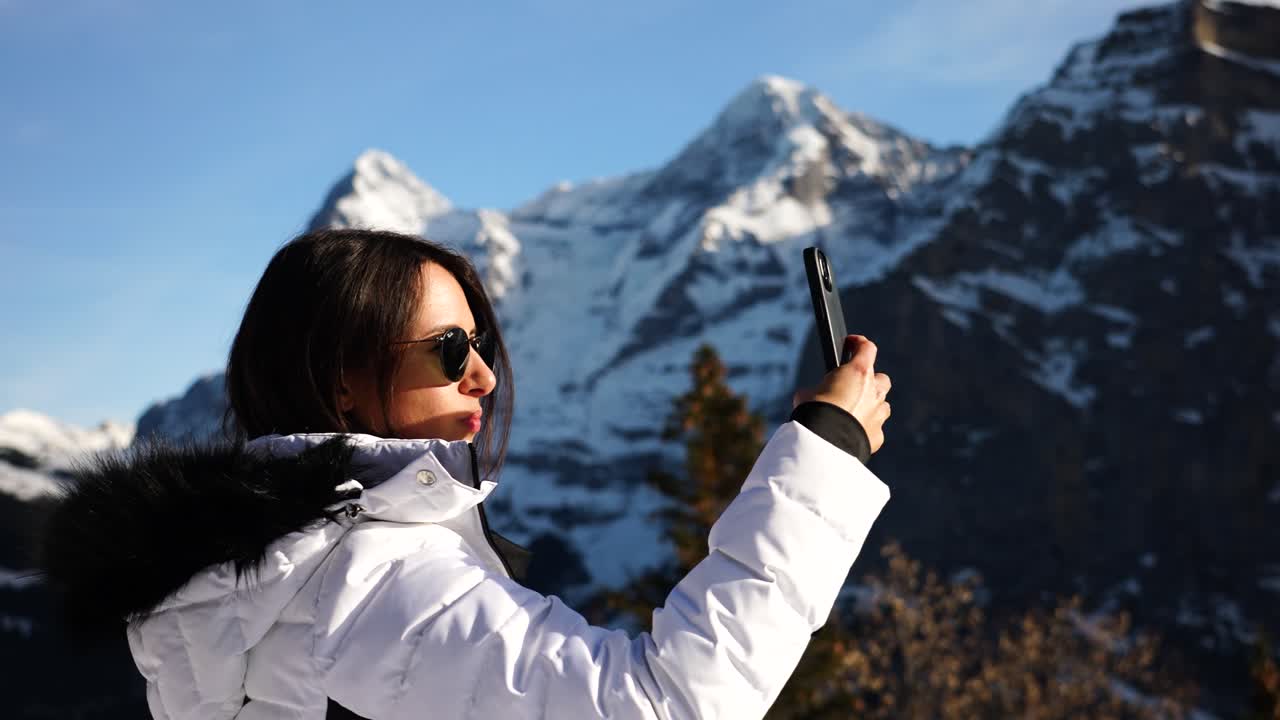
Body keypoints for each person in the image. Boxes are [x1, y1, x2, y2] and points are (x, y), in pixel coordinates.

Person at [40, 228, 893, 720]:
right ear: (342, 378)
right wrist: (824, 454)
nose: (483, 375)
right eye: (450, 350)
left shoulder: (274, 565)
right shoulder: (367, 580)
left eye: (480, 344)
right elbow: (667, 703)